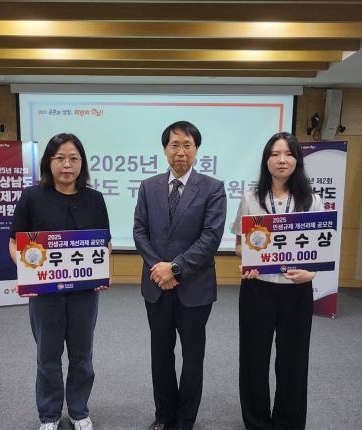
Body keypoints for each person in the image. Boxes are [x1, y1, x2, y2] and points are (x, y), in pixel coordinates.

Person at [9, 133, 112, 430]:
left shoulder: (94, 199)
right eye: (60, 158)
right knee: (48, 356)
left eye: (74, 159)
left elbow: (104, 243)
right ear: (49, 162)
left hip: (84, 293)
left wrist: (103, 271)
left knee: (82, 355)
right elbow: (15, 243)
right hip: (45, 294)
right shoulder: (32, 197)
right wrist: (27, 271)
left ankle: (79, 411)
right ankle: (49, 415)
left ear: (82, 163)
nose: (67, 165)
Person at [133, 121, 226, 430]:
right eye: (174, 145)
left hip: (194, 288)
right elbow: (139, 231)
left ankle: (186, 420)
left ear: (196, 149)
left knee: (192, 357)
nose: (181, 152)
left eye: (187, 145)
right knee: (160, 355)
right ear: (165, 149)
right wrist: (159, 268)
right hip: (156, 286)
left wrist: (174, 268)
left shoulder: (213, 188)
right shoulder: (148, 187)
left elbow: (211, 238)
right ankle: (164, 416)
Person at [232, 132, 323, 430]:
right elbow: (239, 245)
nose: (281, 160)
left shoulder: (312, 200)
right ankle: (256, 422)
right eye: (274, 154)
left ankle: (288, 422)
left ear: (297, 160)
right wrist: (248, 261)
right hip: (257, 288)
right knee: (254, 359)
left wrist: (311, 273)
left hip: (297, 290)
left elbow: (320, 247)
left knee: (293, 361)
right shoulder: (251, 198)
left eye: (288, 154)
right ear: (266, 160)